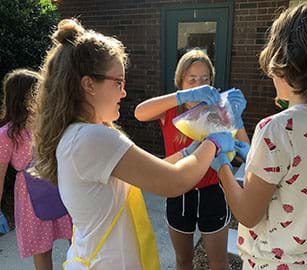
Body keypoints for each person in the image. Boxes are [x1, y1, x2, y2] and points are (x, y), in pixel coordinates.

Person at [33, 19, 238, 270]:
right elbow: (173, 181)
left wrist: (189, 150)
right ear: (89, 85)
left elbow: (154, 170)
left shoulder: (85, 134)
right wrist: (213, 142)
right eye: (118, 82)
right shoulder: (91, 139)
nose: (124, 92)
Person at [206, 1, 307, 269]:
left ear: (288, 60)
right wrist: (249, 149)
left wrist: (220, 164)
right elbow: (294, 170)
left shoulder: (276, 128)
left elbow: (247, 214)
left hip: (271, 262)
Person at [134, 49, 249, 270]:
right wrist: (181, 97)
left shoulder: (218, 109)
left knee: (219, 262)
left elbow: (246, 151)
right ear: (181, 81)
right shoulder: (170, 110)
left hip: (213, 190)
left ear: (211, 81)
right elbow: (140, 112)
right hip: (178, 191)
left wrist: (236, 117)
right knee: (184, 260)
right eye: (192, 80)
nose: (198, 84)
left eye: (204, 79)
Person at [0, 69, 72, 270]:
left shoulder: (52, 123)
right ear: (23, 97)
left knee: (77, 240)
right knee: (42, 247)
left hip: (62, 184)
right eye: (38, 91)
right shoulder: (6, 135)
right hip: (30, 195)